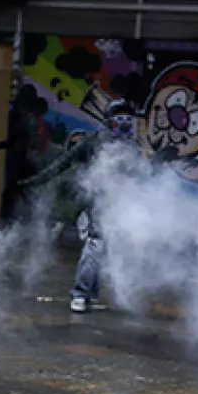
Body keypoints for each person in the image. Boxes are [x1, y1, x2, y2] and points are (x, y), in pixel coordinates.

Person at [20, 98, 151, 313]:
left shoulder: (132, 146)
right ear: (109, 121)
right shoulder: (93, 141)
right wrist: (33, 182)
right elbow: (61, 164)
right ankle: (80, 295)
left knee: (103, 248)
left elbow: (139, 174)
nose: (126, 122)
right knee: (95, 245)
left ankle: (89, 295)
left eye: (129, 118)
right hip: (95, 203)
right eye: (120, 118)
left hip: (117, 205)